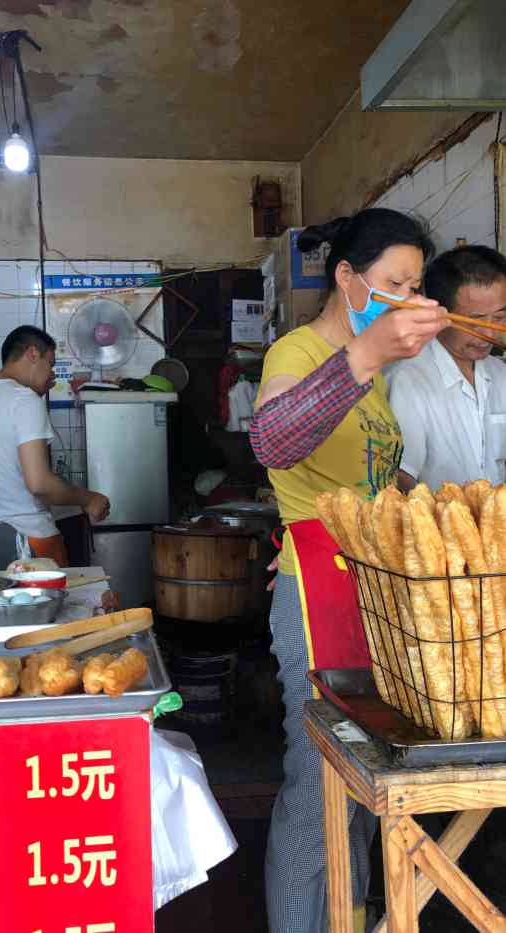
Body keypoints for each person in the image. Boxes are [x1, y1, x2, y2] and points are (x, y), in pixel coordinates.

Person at [248, 209, 448, 933]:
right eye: (393, 283)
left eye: (416, 285)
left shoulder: (391, 376)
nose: (405, 297)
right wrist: (364, 354)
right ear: (347, 277)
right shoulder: (298, 353)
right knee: (317, 777)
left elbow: (372, 482)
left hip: (373, 593)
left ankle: (347, 917)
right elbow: (272, 439)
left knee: (366, 782)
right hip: (315, 594)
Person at [0, 325, 110, 570]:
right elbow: (39, 484)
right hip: (28, 542)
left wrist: (35, 392)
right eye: (50, 363)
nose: (51, 373)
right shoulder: (23, 399)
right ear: (32, 354)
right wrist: (88, 498)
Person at [388, 245, 506, 492]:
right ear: (439, 313)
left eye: (499, 317)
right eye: (474, 320)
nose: (489, 332)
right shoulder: (408, 379)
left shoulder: (500, 374)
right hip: (437, 525)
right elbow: (401, 476)